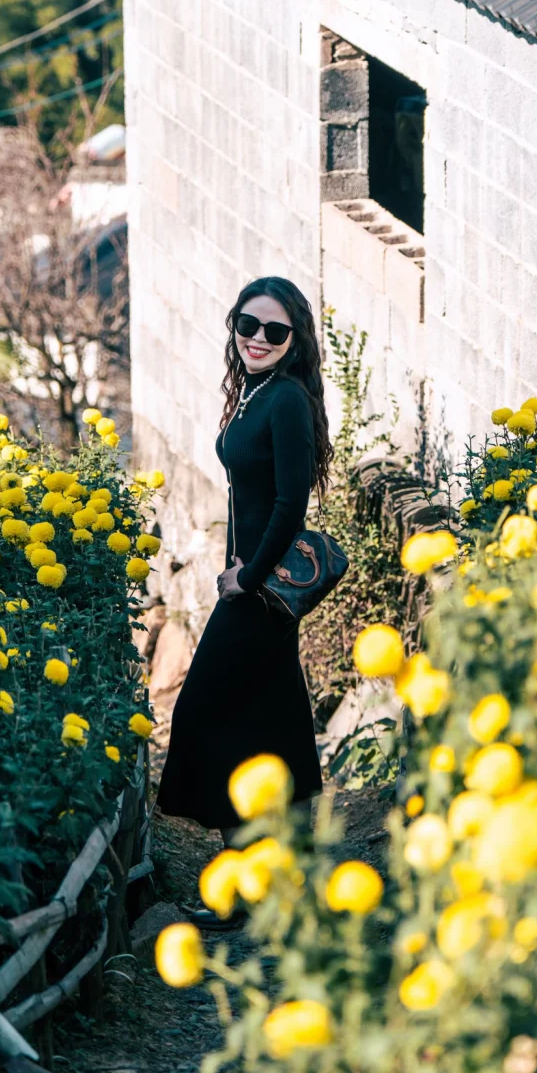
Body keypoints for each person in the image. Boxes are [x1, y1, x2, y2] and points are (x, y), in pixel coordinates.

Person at [156, 276, 332, 925]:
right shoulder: (255, 391)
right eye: (247, 325)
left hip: (259, 595)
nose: (258, 339)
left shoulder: (284, 400)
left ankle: (248, 889)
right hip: (253, 587)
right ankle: (281, 879)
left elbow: (291, 503)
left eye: (275, 331)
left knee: (205, 711)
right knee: (271, 723)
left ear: (296, 341)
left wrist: (248, 577)